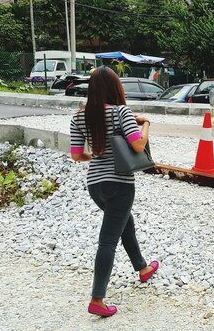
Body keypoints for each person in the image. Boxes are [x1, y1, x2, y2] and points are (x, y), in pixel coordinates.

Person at [69, 66, 159, 317]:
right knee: (108, 240)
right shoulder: (122, 112)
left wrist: (98, 154)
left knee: (124, 224)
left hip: (95, 185)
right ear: (115, 88)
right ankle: (97, 299)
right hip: (120, 184)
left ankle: (142, 268)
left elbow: (77, 155)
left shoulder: (78, 117)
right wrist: (147, 124)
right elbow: (138, 144)